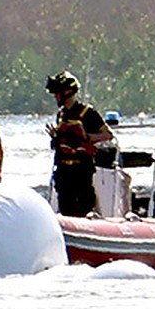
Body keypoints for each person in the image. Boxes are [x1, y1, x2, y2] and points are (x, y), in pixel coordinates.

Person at [46, 70, 113, 216]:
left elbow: (107, 135)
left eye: (57, 93)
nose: (56, 97)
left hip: (81, 169)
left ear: (68, 92)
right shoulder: (61, 114)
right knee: (65, 206)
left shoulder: (88, 113)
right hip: (64, 170)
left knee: (83, 205)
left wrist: (86, 137)